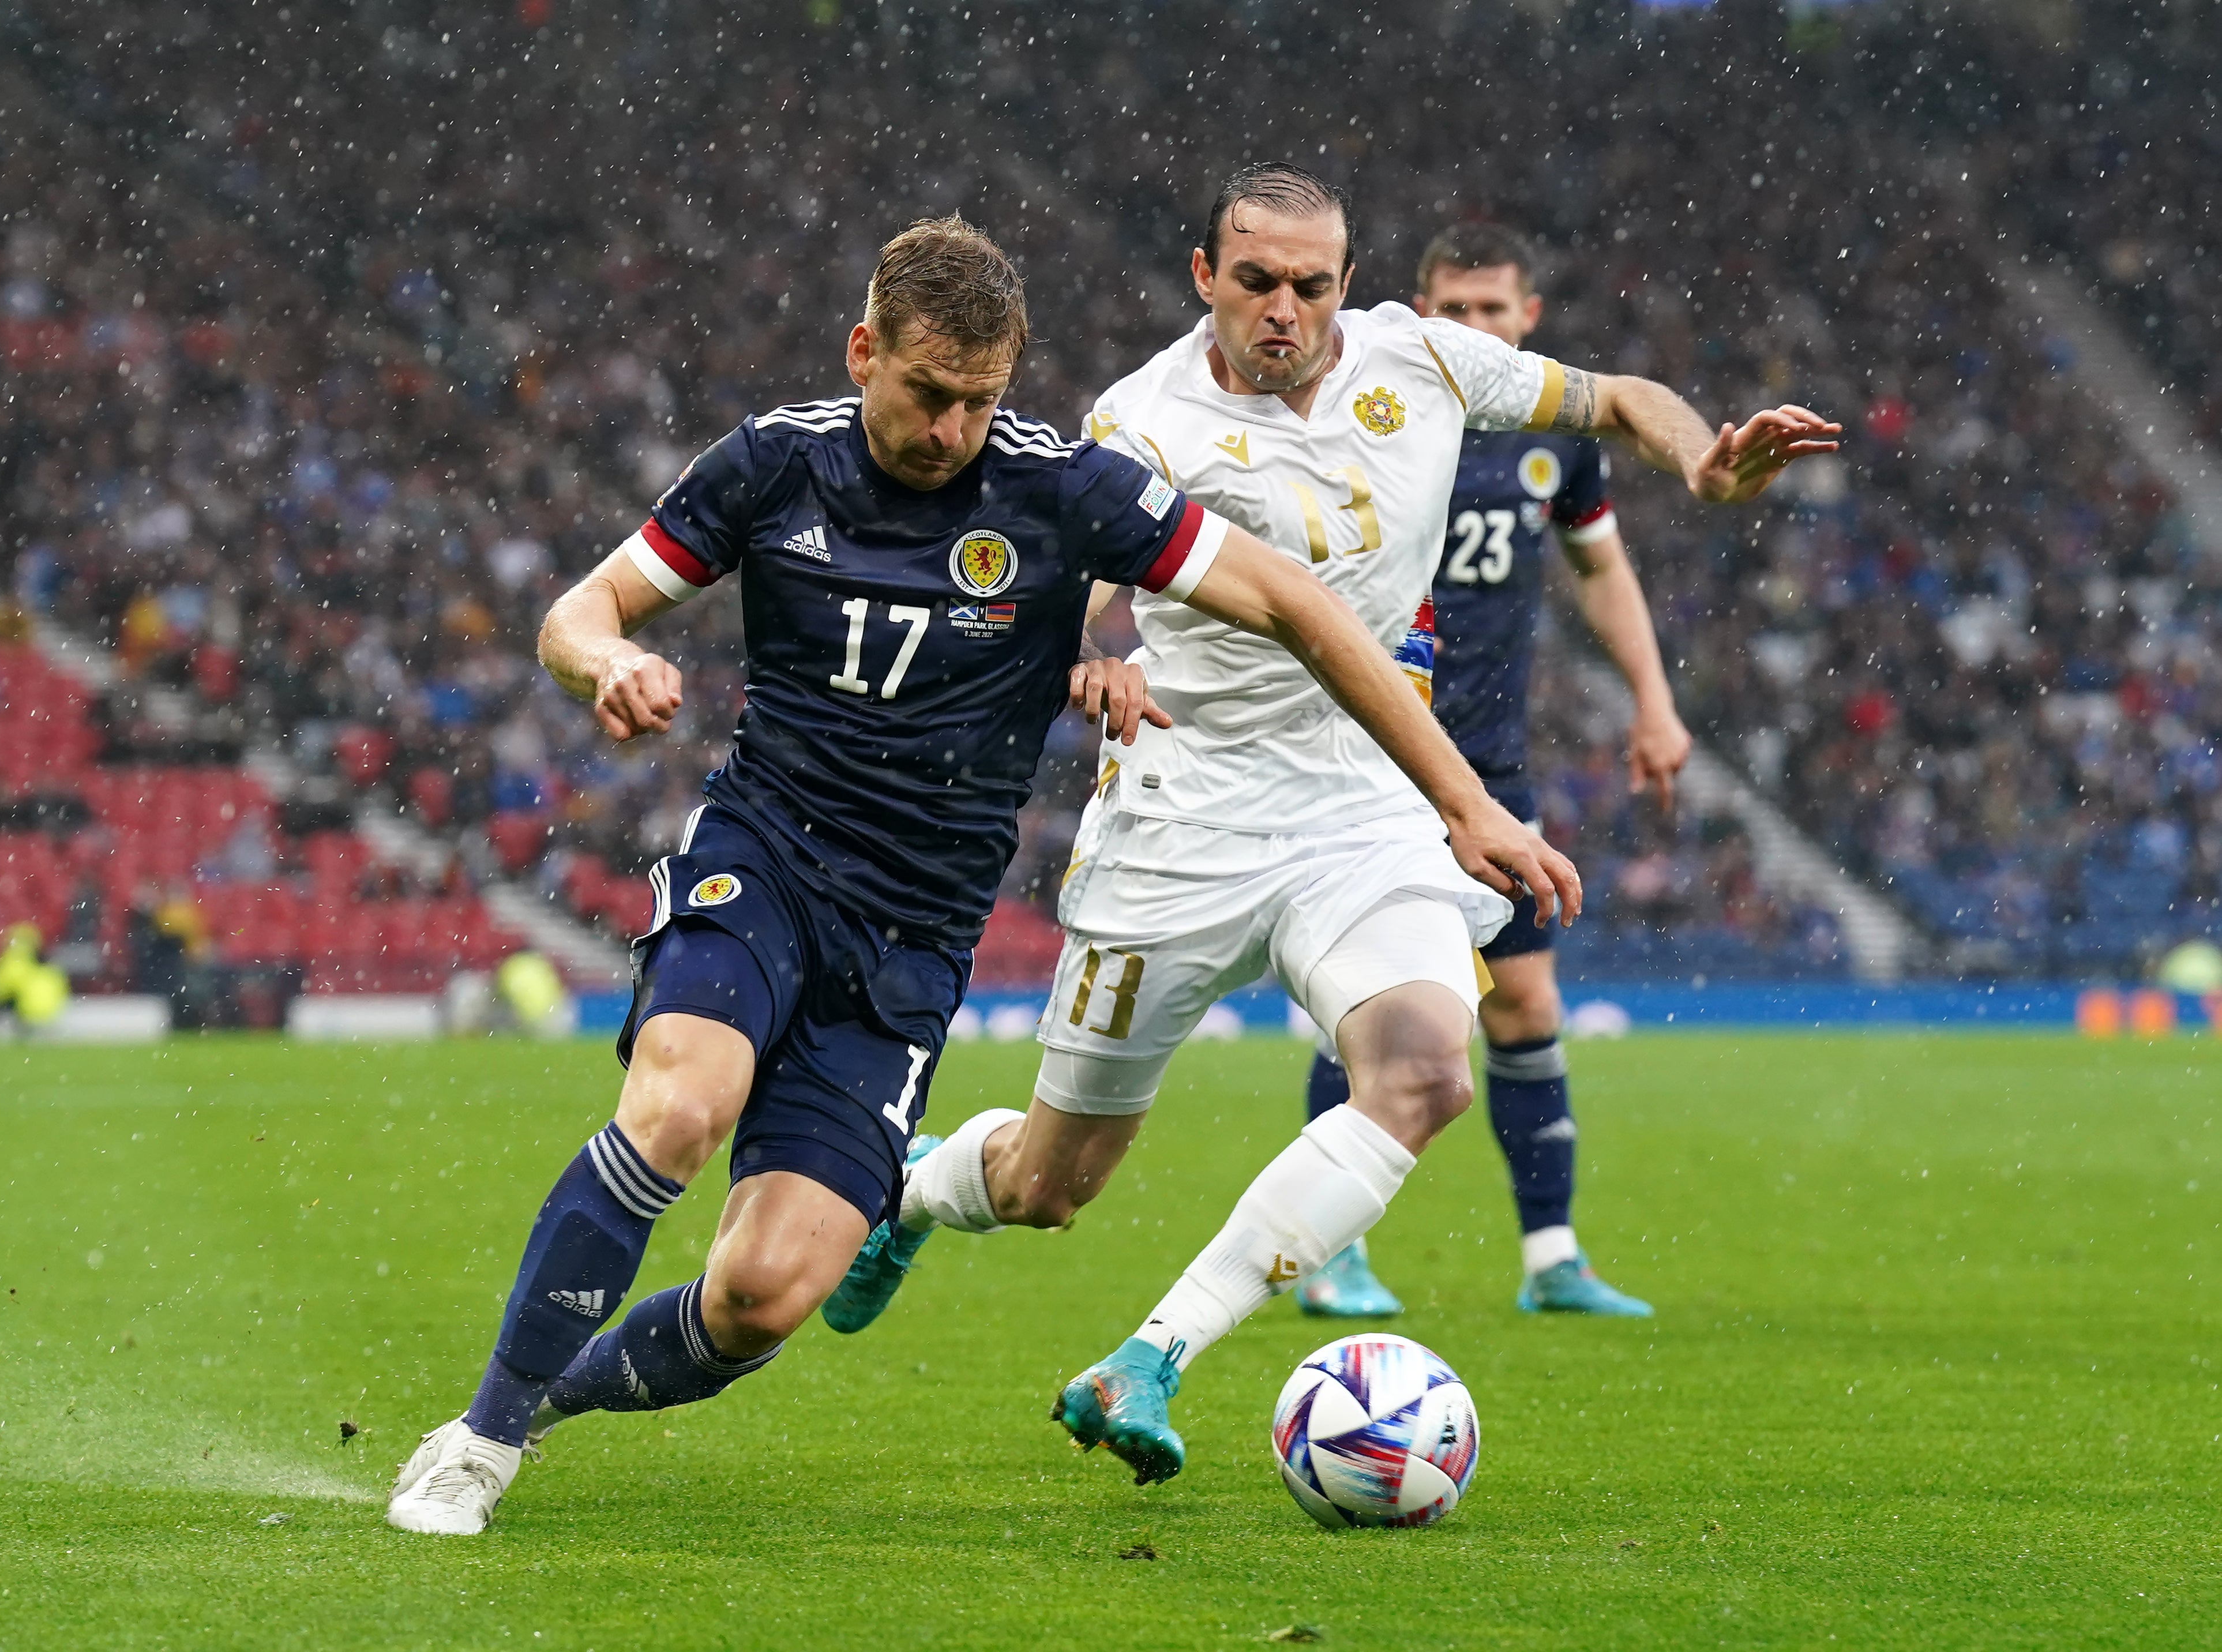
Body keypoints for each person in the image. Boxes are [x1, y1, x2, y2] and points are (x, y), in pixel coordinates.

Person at [386, 213, 1574, 1535]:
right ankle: (479, 1438)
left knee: (759, 1297)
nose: (951, 429)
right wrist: (606, 663)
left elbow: (1299, 603)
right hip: (767, 860)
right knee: (679, 1109)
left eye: (980, 401)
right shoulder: (776, 464)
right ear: (863, 352)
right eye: (926, 395)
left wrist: (1463, 805)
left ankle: (544, 1401)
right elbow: (579, 610)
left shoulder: (1064, 490)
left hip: (911, 941)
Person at [825, 165, 1835, 1486]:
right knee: (1046, 1185)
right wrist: (1096, 657)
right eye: (1256, 281)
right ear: (1206, 279)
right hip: (1184, 814)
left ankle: (1152, 1357)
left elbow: (1612, 399)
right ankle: (915, 1182)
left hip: (1362, 802)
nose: (1285, 307)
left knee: (1424, 1075)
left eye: (1312, 283)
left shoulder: (1424, 360)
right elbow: (1067, 578)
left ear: (1346, 284)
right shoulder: (1139, 419)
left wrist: (1698, 460)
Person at [1293, 222, 1691, 1321]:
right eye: (1452, 310)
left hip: (1494, 763)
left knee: (1521, 1000)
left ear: (1529, 322)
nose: (1472, 329)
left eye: (1492, 311)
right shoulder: (1368, 415)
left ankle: (1553, 1258)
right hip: (1368, 761)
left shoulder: (1556, 442)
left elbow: (1599, 566)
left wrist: (1655, 702)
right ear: (1415, 312)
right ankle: (1333, 1255)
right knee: (1369, 1011)